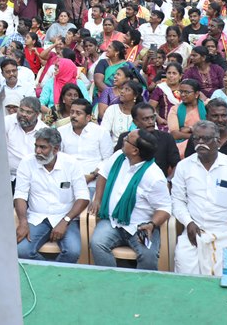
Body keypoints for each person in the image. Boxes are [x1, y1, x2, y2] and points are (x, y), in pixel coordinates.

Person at [171, 121, 227, 275]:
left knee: (226, 277)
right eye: (196, 139)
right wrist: (188, 222)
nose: (200, 143)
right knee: (184, 267)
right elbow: (177, 200)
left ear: (218, 142)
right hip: (195, 232)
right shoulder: (184, 166)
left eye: (206, 139)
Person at [90, 129, 171, 269]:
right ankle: (108, 279)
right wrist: (97, 199)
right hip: (112, 222)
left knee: (148, 256)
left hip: (140, 226)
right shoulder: (119, 157)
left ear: (135, 151)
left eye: (127, 139)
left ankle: (143, 283)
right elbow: (103, 175)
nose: (123, 139)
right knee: (97, 243)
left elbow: (164, 208)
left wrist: (151, 225)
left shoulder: (154, 177)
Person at [13, 128, 89, 263]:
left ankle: (53, 273)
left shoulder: (71, 164)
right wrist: (23, 222)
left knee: (72, 251)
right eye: (36, 146)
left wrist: (65, 221)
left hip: (66, 218)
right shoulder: (27, 163)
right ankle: (52, 272)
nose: (37, 151)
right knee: (21, 251)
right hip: (37, 217)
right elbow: (20, 195)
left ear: (55, 149)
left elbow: (83, 197)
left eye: (43, 147)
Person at [59, 97, 113, 194]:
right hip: (67, 180)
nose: (73, 116)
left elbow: (107, 159)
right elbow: (58, 157)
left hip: (93, 181)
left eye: (78, 113)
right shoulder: (61, 131)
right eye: (72, 112)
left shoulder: (101, 132)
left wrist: (92, 176)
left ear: (88, 117)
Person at [131, 102, 181, 178]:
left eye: (152, 118)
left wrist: (168, 181)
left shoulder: (166, 138)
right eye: (145, 119)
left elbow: (176, 165)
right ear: (135, 122)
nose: (151, 122)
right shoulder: (127, 139)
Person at [167, 78, 206, 156]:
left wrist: (190, 129)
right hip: (181, 143)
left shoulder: (206, 106)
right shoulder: (175, 109)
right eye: (181, 92)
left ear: (196, 94)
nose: (182, 95)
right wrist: (197, 137)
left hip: (205, 142)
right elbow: (175, 134)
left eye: (186, 92)